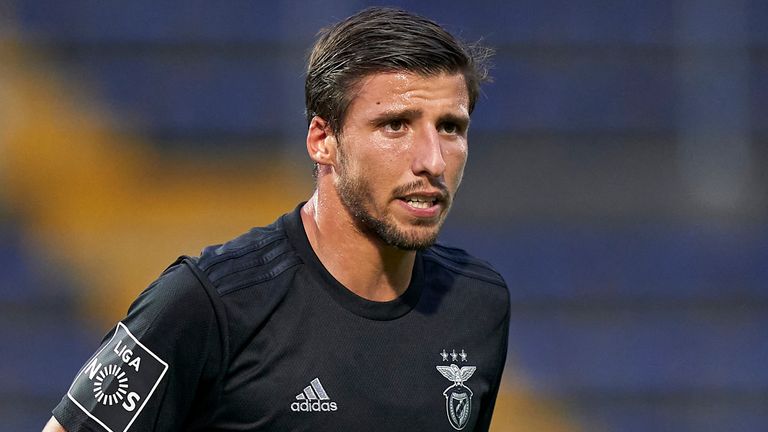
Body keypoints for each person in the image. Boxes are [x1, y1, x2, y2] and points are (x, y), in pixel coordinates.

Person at [44, 7, 510, 432]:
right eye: (395, 125)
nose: (432, 160)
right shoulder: (207, 304)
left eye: (450, 127)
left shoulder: (478, 303)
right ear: (322, 140)